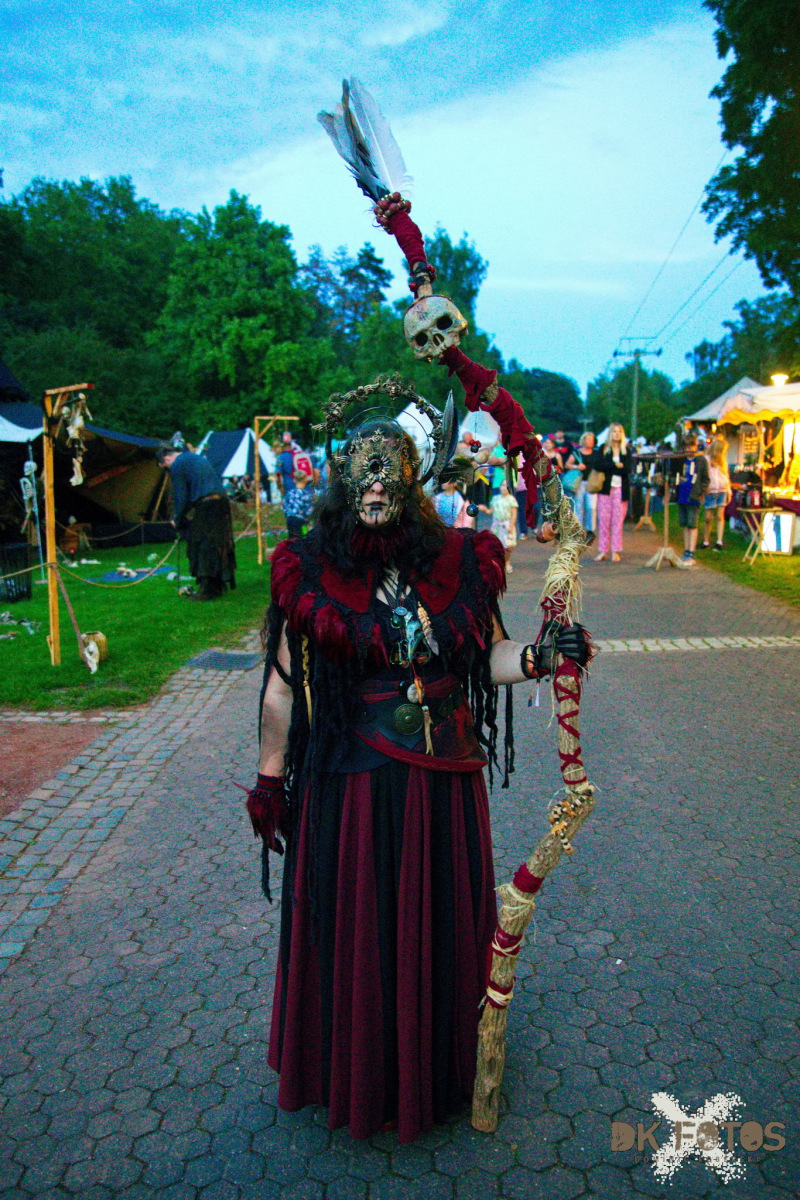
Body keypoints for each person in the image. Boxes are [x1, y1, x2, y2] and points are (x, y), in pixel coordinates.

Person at [247, 388, 590, 1144]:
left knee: (433, 928)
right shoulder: (310, 568)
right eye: (362, 473)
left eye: (388, 473)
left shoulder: (457, 561)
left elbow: (486, 655)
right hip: (355, 785)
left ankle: (433, 1070)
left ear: (413, 480)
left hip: (443, 783)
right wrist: (271, 783)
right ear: (342, 478)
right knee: (365, 932)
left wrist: (540, 656)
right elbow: (282, 687)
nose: (374, 487)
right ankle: (365, 1072)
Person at [158, 446, 236, 599]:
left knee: (202, 545)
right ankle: (217, 585)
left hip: (208, 505)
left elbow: (181, 496)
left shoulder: (178, 464)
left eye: (166, 467)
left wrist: (177, 519)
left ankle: (208, 590)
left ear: (166, 459)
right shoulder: (194, 457)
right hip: (221, 502)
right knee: (217, 544)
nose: (168, 471)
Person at [594, 423, 632, 563]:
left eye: (619, 431)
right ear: (610, 433)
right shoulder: (604, 449)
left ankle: (615, 550)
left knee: (618, 521)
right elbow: (598, 465)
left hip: (621, 489)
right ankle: (603, 550)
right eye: (614, 431)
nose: (616, 434)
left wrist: (611, 468)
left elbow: (627, 469)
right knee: (604, 521)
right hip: (605, 489)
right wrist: (615, 465)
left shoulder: (626, 450)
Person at [676, 432, 710, 564]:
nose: (689, 449)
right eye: (686, 447)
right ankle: (686, 550)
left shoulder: (701, 460)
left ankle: (691, 552)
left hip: (694, 496)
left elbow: (706, 478)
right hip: (682, 495)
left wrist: (701, 491)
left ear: (696, 446)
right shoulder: (682, 460)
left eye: (691, 446)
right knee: (685, 524)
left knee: (692, 524)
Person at [701, 436, 731, 551]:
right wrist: (704, 487)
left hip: (722, 489)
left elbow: (726, 476)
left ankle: (719, 541)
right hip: (711, 490)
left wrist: (728, 490)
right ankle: (706, 540)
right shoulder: (707, 460)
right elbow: (704, 475)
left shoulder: (723, 462)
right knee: (708, 517)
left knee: (720, 515)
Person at [566, 432, 596, 531]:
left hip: (592, 483)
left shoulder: (596, 453)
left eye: (592, 439)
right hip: (580, 483)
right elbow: (567, 465)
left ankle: (590, 529)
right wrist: (577, 466)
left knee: (591, 507)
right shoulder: (577, 452)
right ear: (583, 440)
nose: (590, 441)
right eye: (588, 439)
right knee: (579, 507)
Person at [488, 477, 518, 572]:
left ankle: (507, 561)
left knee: (509, 546)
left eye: (506, 486)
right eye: (502, 485)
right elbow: (491, 511)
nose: (504, 487)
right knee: (496, 545)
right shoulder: (495, 498)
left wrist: (511, 526)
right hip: (497, 525)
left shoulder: (511, 499)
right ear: (500, 487)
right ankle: (497, 563)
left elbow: (514, 514)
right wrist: (483, 509)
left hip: (507, 525)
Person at [281, 468, 316, 536]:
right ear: (305, 480)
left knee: (292, 540)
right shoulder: (306, 495)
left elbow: (285, 507)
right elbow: (310, 511)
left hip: (290, 521)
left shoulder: (289, 494)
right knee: (304, 537)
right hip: (302, 522)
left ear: (294, 480)